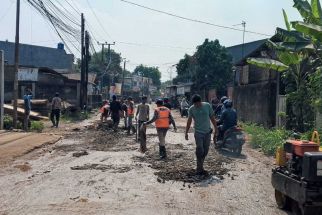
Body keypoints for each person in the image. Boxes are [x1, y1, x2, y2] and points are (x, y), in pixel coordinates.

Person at [185, 94, 218, 175]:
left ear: (201, 101)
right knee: (200, 149)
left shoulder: (207, 106)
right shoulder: (191, 109)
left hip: (207, 132)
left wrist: (216, 129)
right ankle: (199, 167)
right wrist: (186, 132)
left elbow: (212, 118)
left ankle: (200, 166)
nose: (197, 105)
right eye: (195, 104)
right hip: (198, 132)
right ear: (193, 103)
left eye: (198, 103)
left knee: (206, 150)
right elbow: (189, 121)